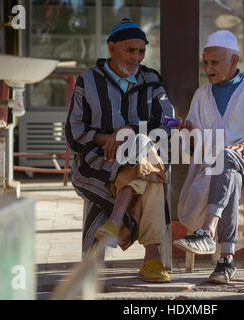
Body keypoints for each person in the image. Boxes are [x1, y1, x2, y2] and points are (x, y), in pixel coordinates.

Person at [173, 30, 244, 284]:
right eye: (205, 62)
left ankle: (206, 231)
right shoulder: (202, 95)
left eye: (214, 62)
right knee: (228, 170)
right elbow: (198, 145)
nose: (208, 68)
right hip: (220, 165)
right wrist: (189, 129)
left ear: (234, 61)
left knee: (227, 162)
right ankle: (226, 262)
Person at [65, 18, 174, 283]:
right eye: (130, 50)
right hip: (96, 163)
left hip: (143, 155)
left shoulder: (151, 80)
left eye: (141, 50)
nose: (137, 57)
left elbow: (166, 123)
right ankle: (152, 258)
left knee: (142, 150)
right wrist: (107, 139)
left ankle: (111, 228)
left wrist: (127, 132)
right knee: (153, 178)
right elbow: (73, 134)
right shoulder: (87, 81)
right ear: (111, 48)